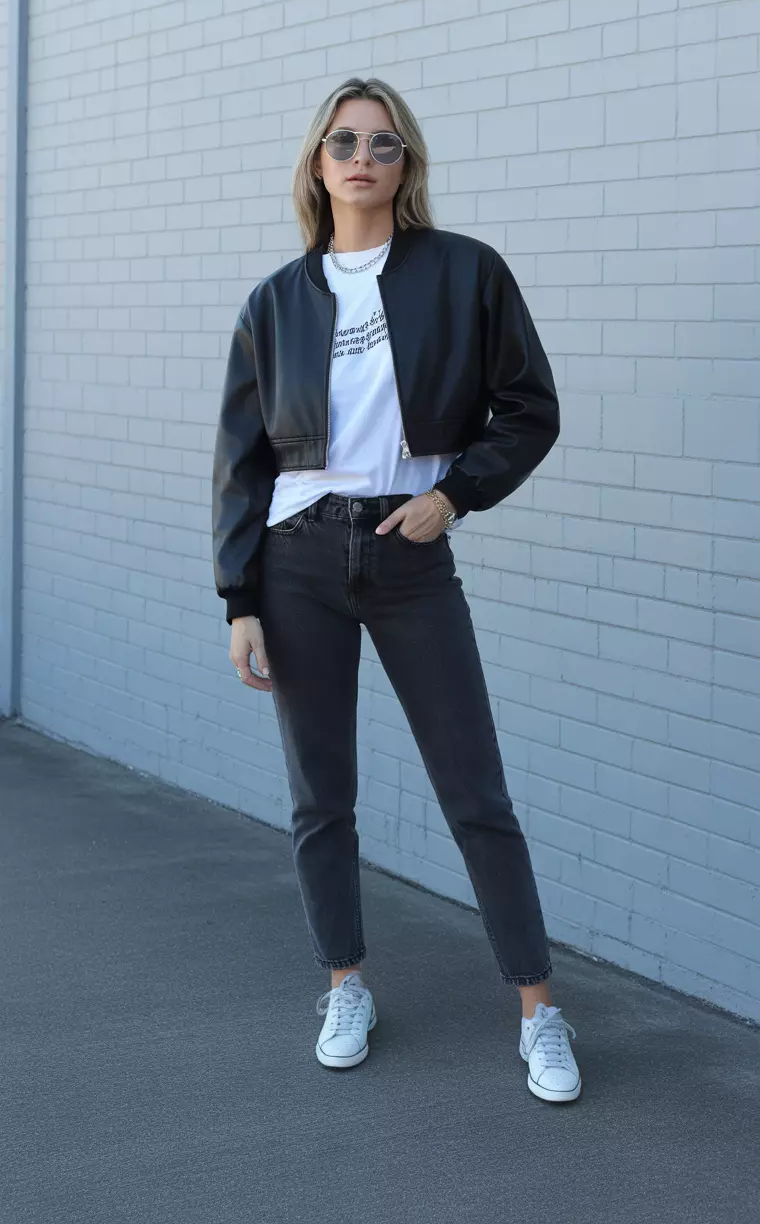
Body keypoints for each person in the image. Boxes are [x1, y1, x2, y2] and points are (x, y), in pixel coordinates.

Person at [211, 76, 581, 1103]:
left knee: (477, 793)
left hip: (410, 551)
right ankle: (345, 984)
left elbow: (530, 409)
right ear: (318, 165)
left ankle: (539, 1010)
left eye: (383, 142)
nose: (363, 156)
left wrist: (454, 496)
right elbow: (243, 462)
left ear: (405, 164)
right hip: (295, 562)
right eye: (343, 142)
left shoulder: (465, 273)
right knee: (320, 797)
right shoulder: (275, 301)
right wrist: (239, 598)